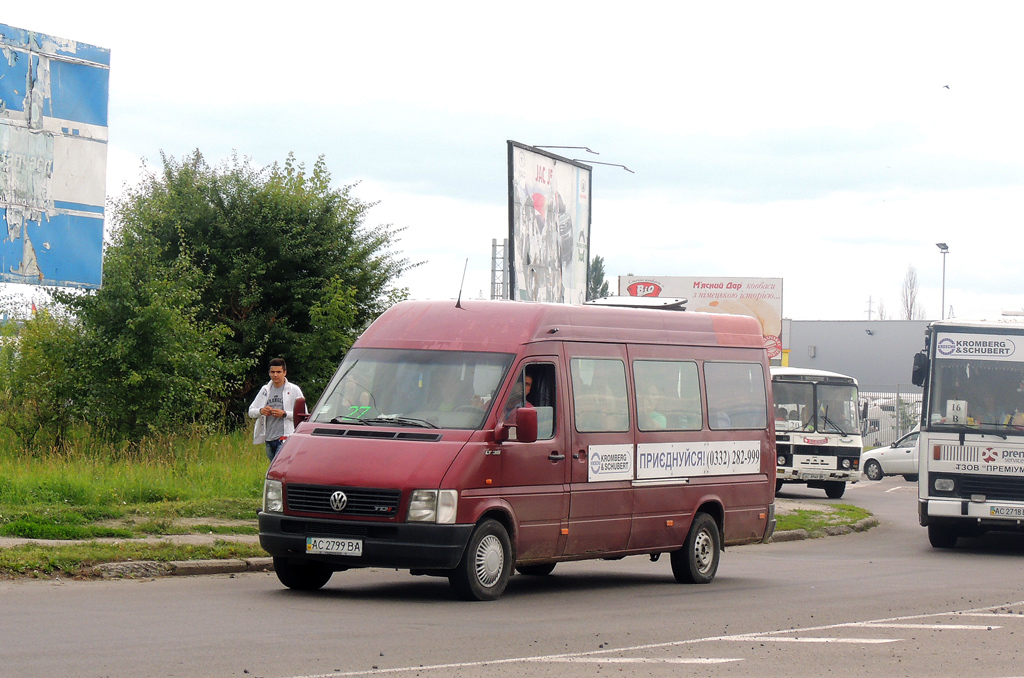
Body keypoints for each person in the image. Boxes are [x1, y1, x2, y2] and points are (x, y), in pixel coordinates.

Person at [248, 358, 304, 461]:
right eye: (273, 372)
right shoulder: (265, 390)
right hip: (269, 438)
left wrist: (284, 414)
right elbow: (251, 411)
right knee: (274, 470)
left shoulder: (293, 389)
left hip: (285, 438)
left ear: (285, 373)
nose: (275, 375)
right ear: (269, 373)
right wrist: (261, 411)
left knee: (278, 466)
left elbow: (303, 415)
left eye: (279, 372)